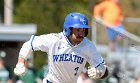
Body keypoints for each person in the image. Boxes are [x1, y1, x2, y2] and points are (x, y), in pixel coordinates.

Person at [14, 12, 108, 83]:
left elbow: (104, 70)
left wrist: (99, 71)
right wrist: (20, 63)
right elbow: (28, 44)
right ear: (68, 29)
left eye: (84, 30)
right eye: (78, 30)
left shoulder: (88, 45)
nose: (81, 34)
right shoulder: (54, 39)